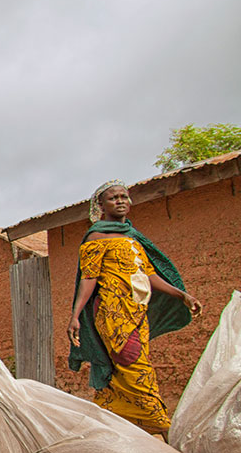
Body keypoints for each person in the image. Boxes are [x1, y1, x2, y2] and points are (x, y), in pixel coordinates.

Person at [67, 181, 201, 438]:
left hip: (137, 313)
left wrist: (182, 294)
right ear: (101, 206)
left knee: (126, 366)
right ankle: (159, 423)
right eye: (113, 198)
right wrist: (75, 315)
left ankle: (109, 416)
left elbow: (149, 274)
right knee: (133, 364)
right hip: (112, 313)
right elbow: (88, 278)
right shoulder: (96, 237)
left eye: (124, 197)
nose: (120, 201)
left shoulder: (132, 238)